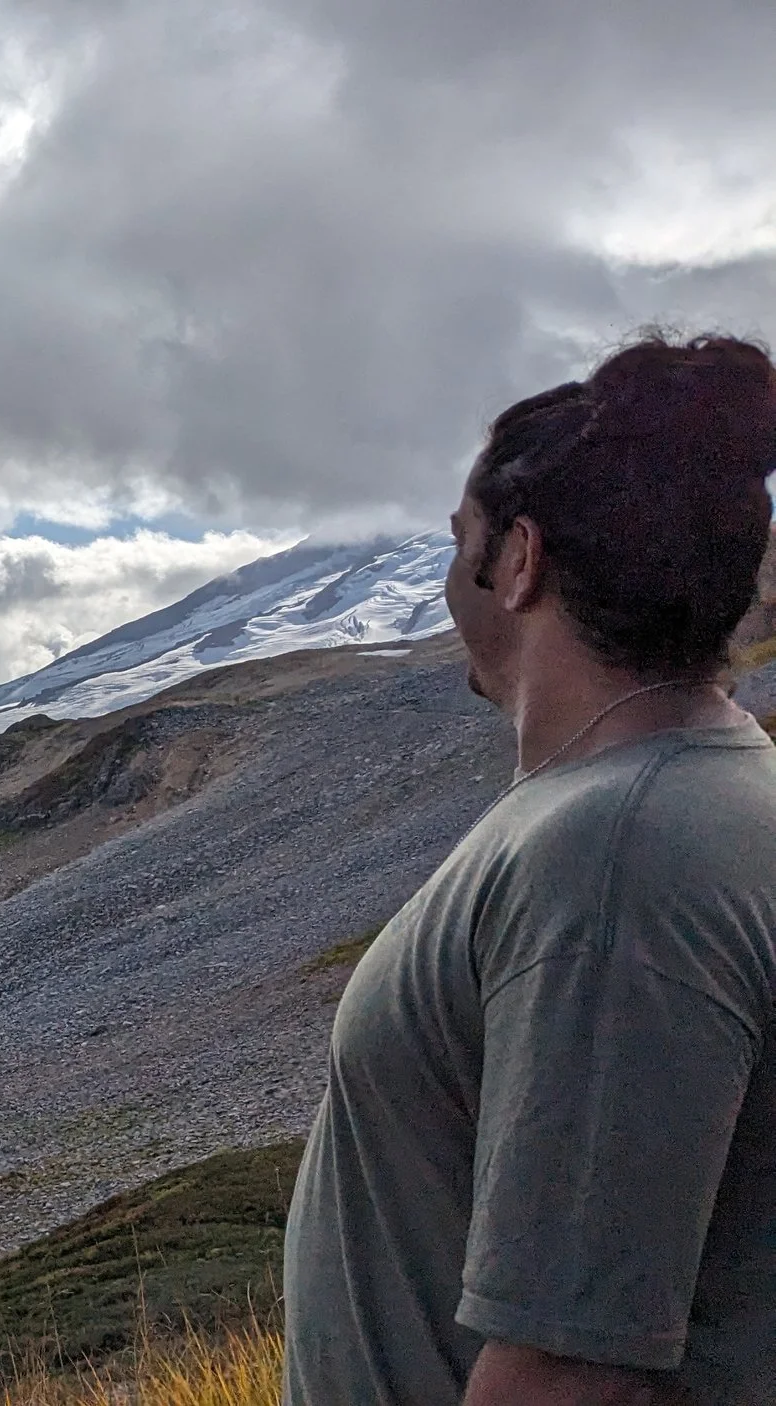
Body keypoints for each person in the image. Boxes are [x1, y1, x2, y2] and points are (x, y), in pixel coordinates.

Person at [282, 334, 776, 1405]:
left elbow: (570, 1367)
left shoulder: (619, 852)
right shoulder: (656, 802)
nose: (448, 565)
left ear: (518, 559)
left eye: (457, 537)